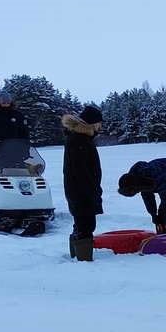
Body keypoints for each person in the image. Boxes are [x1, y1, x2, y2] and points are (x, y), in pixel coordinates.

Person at [62, 105, 104, 261]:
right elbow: (80, 172)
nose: (100, 126)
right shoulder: (79, 140)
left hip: (80, 190)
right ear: (92, 122)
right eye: (99, 122)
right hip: (81, 191)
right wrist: (90, 192)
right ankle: (84, 261)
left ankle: (77, 255)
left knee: (80, 223)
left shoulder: (81, 138)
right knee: (86, 224)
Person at [117, 158, 166, 233]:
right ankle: (164, 238)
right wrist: (154, 214)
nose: (137, 192)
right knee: (162, 214)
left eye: (135, 191)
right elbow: (147, 197)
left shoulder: (156, 176)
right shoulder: (137, 179)